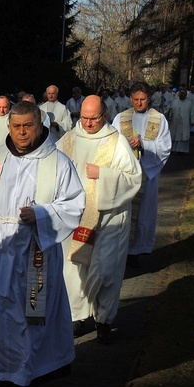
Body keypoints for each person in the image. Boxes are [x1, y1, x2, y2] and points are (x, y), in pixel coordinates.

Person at [0, 101, 85, 387]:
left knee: (27, 315)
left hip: (33, 249)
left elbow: (74, 204)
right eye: (15, 126)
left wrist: (41, 215)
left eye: (27, 126)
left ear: (40, 125)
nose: (21, 132)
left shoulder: (58, 162)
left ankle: (25, 374)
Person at [56, 96, 142, 343]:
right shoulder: (70, 139)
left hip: (109, 219)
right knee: (74, 269)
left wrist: (103, 175)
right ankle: (78, 316)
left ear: (104, 115)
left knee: (105, 270)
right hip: (76, 218)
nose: (89, 123)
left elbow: (134, 178)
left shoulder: (116, 142)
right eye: (84, 117)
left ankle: (104, 318)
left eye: (93, 118)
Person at [113, 82, 172, 266]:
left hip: (147, 173)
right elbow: (112, 144)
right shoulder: (121, 118)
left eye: (143, 99)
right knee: (124, 213)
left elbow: (165, 147)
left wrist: (144, 144)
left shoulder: (159, 119)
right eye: (136, 99)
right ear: (131, 99)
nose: (139, 103)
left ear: (149, 99)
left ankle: (138, 250)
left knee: (144, 213)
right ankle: (122, 250)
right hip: (125, 175)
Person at [168, 88, 194, 155]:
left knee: (183, 137)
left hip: (185, 123)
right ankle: (173, 149)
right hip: (175, 122)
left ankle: (182, 150)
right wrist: (169, 116)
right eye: (181, 93)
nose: (182, 95)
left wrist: (193, 121)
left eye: (184, 93)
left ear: (186, 95)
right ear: (179, 94)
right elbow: (170, 110)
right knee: (174, 135)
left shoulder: (189, 103)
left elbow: (192, 113)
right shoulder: (174, 102)